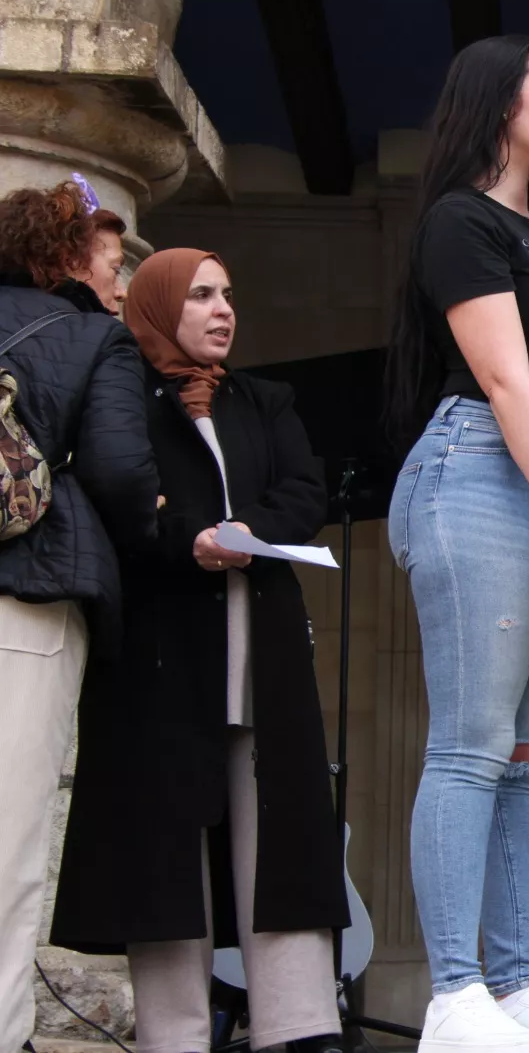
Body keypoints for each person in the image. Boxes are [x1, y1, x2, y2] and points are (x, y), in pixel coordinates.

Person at [383, 35, 529, 1053]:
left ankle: (516, 985)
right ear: (499, 103)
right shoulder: (459, 221)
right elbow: (506, 379)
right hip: (483, 469)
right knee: (472, 743)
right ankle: (454, 993)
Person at [49, 249, 348, 1053]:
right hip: (162, 656)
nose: (224, 310)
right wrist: (191, 539)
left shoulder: (264, 399)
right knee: (164, 846)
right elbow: (121, 506)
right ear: (158, 306)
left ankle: (300, 1024)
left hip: (261, 650)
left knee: (278, 835)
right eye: (203, 295)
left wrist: (243, 531)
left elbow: (304, 492)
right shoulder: (124, 402)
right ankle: (173, 1034)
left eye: (229, 294)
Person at [0, 180, 157, 1053]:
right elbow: (121, 473)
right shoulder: (95, 337)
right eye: (111, 262)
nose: (121, 283)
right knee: (8, 842)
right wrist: (150, 530)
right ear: (64, 259)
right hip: (25, 601)